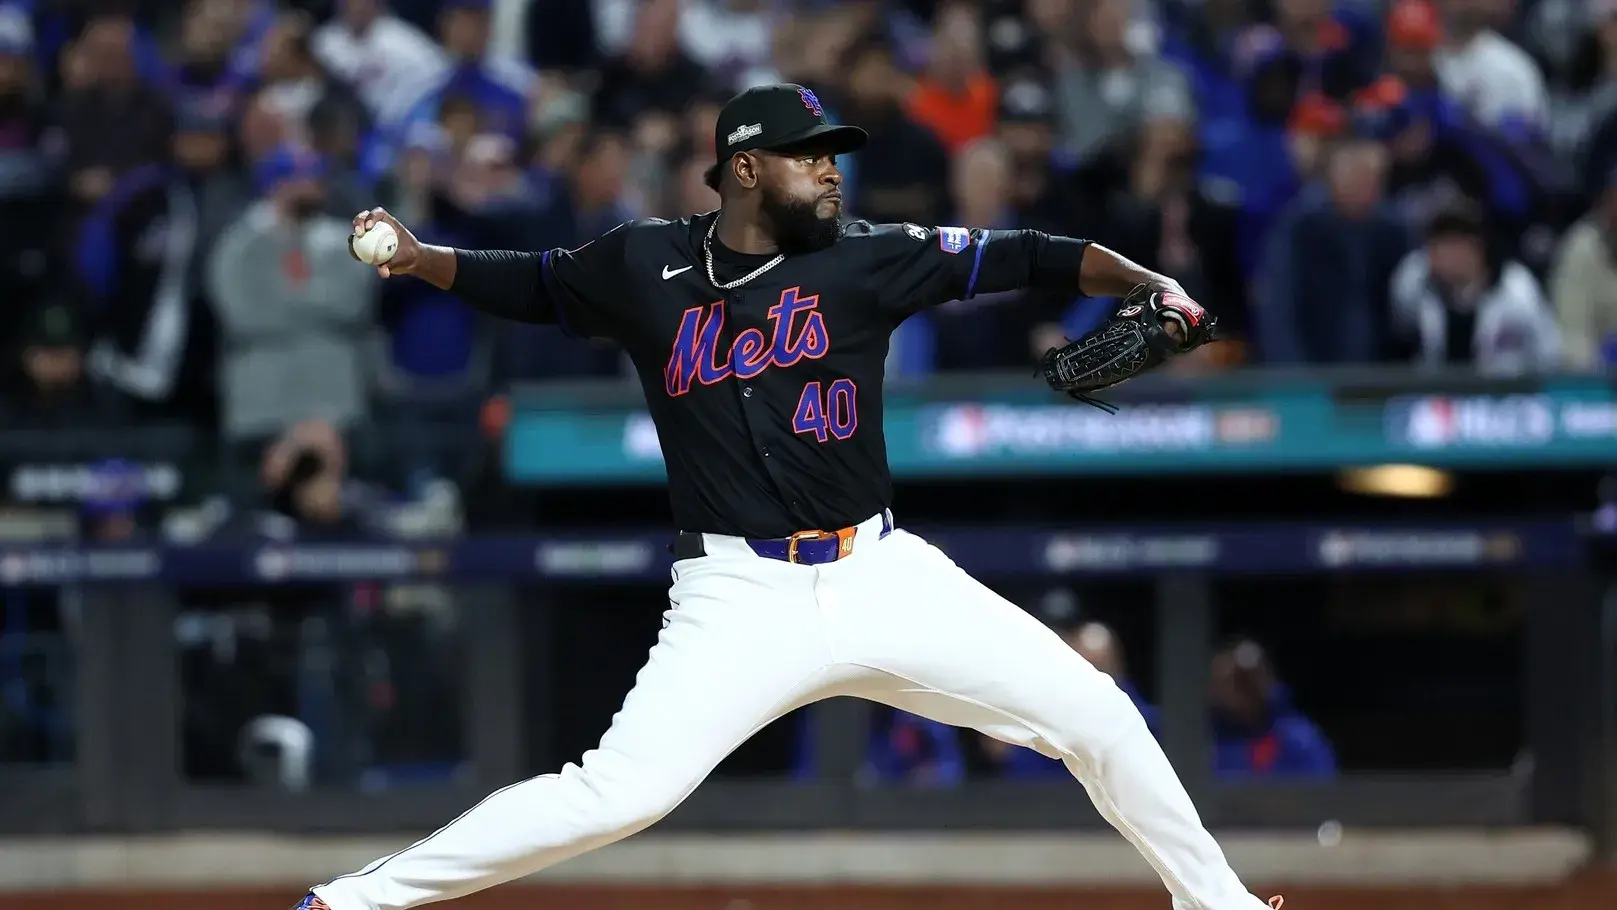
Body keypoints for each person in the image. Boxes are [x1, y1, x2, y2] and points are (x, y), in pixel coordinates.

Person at [294, 83, 1275, 910]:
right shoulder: (647, 264)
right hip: (738, 597)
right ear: (747, 168)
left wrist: (1150, 279)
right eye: (811, 156)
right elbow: (536, 283)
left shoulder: (866, 254)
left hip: (881, 570)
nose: (833, 170)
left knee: (1097, 716)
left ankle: (1218, 903)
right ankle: (350, 901)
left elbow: (1023, 254)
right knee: (613, 795)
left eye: (834, 156)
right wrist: (422, 259)